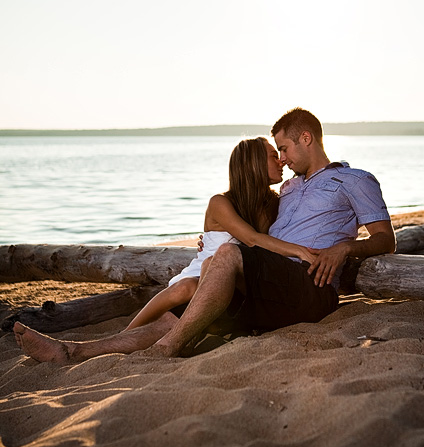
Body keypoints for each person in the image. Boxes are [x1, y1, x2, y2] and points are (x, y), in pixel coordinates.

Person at [13, 136, 314, 364]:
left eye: (282, 154)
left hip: (229, 280)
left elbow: (259, 244)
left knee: (182, 307)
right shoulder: (221, 202)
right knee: (185, 288)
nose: (281, 161)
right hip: (207, 273)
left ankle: (80, 349)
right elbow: (250, 239)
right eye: (274, 156)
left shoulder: (273, 203)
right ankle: (112, 338)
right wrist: (300, 251)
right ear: (252, 165)